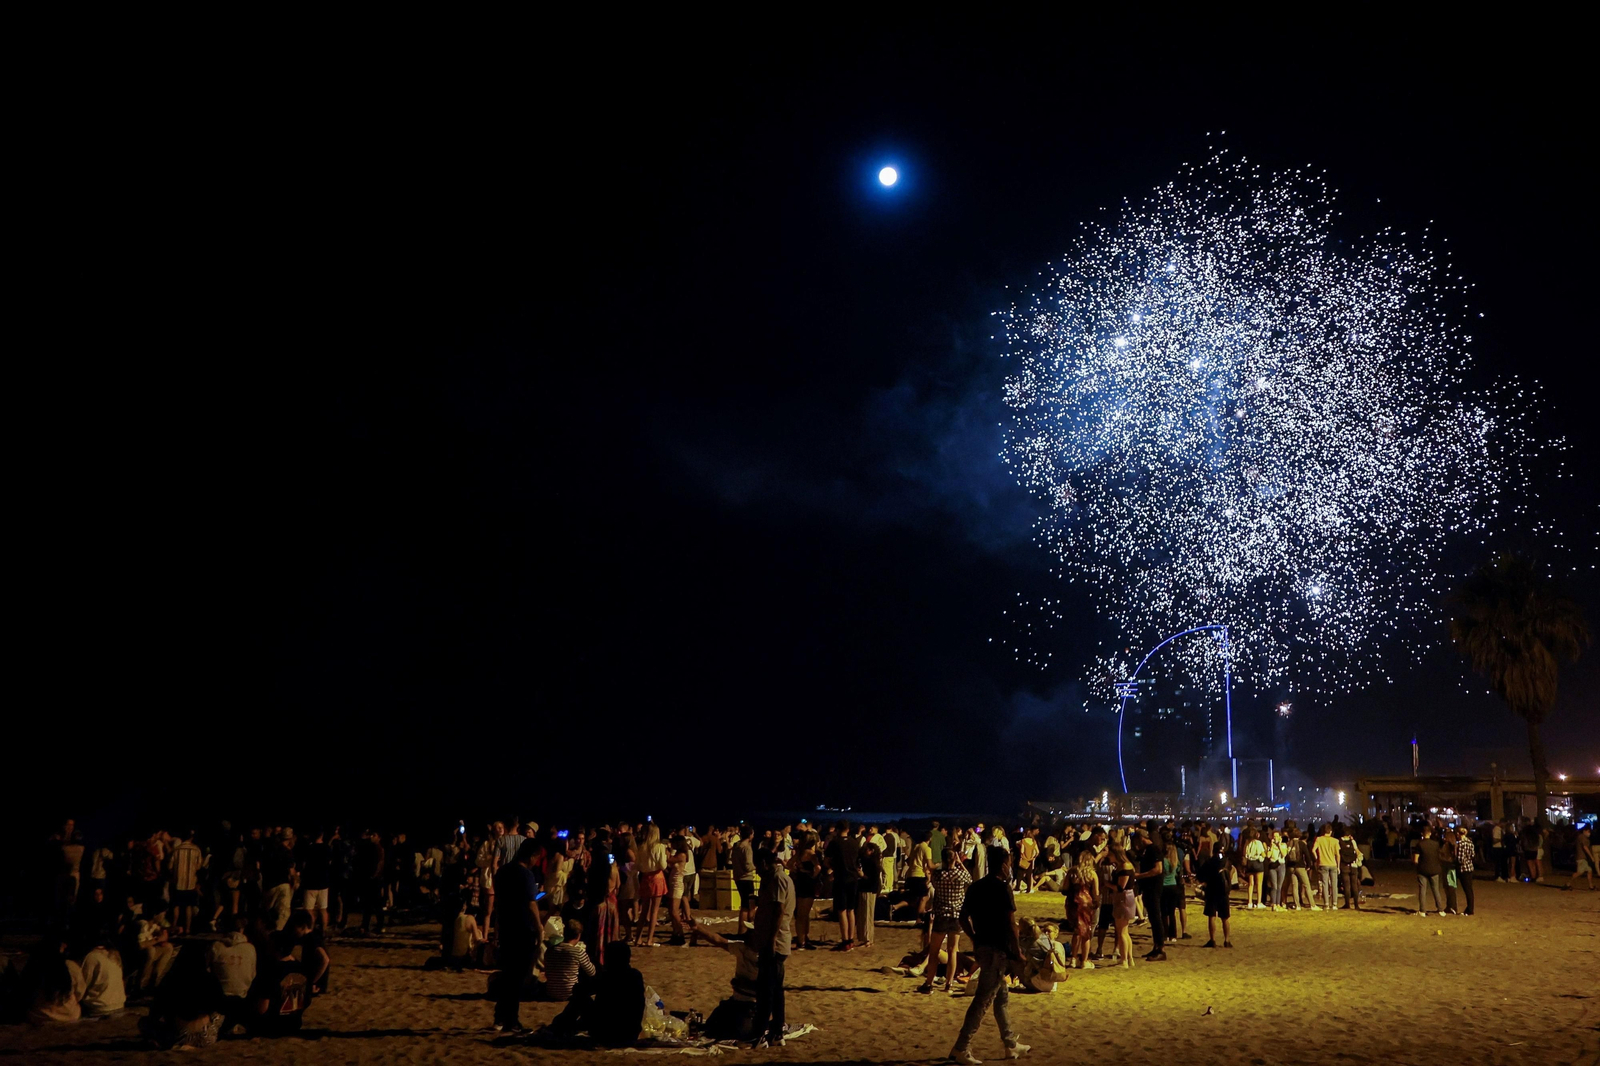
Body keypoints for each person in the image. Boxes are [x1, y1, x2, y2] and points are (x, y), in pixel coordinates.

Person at [948, 846, 1029, 1066]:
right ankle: (961, 1047)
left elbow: (963, 917)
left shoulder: (976, 887)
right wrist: (1018, 952)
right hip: (997, 950)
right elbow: (1011, 923)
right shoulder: (1003, 889)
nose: (1010, 866)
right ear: (1003, 864)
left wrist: (975, 939)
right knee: (982, 1001)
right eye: (1009, 862)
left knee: (1001, 997)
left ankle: (1010, 1044)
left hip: (983, 947)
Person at [491, 838, 543, 1032]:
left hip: (506, 925)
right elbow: (531, 903)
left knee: (508, 973)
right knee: (518, 975)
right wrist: (539, 927)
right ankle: (511, 1020)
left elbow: (499, 901)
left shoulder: (503, 871)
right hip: (522, 928)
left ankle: (500, 1016)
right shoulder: (526, 875)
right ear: (532, 856)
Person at [551, 940, 646, 1046]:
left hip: (604, 1032)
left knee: (581, 999)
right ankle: (567, 1024)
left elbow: (579, 990)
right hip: (630, 1033)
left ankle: (560, 1025)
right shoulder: (635, 976)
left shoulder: (607, 977)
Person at [140, 942, 225, 1048]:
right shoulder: (210, 979)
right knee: (219, 1015)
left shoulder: (171, 979)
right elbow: (221, 1006)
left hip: (177, 1035)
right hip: (205, 1036)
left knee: (144, 1022)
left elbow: (156, 1011)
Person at [750, 847, 794, 1048]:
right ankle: (777, 1031)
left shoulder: (777, 879)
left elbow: (778, 910)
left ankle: (759, 1035)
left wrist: (769, 940)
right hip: (776, 941)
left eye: (758, 866)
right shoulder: (780, 878)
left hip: (774, 942)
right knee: (776, 990)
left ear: (765, 864)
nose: (756, 870)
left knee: (765, 990)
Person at [918, 846, 972, 994]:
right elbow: (970, 880)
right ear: (954, 858)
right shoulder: (960, 875)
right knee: (953, 951)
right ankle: (949, 984)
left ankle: (929, 983)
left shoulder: (938, 875)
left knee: (934, 951)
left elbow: (933, 883)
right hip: (956, 916)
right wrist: (960, 865)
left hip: (941, 915)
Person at [208, 913, 257, 1021]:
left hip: (221, 998)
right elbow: (253, 974)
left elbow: (208, 971)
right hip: (242, 998)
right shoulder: (250, 948)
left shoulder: (216, 947)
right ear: (242, 929)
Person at [22, 942, 84, 1024]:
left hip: (40, 1015)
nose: (65, 946)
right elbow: (80, 993)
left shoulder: (34, 966)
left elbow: (26, 992)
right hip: (69, 1015)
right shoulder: (71, 967)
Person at [824, 820, 861, 951]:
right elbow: (857, 861)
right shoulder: (854, 843)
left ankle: (845, 939)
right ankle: (851, 938)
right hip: (853, 878)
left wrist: (832, 867)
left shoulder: (835, 843)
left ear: (838, 829)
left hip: (841, 878)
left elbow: (826, 859)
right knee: (851, 909)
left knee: (841, 910)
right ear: (848, 829)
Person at [1133, 832, 1167, 961]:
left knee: (1156, 918)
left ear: (1141, 839)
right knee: (1153, 918)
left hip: (1154, 887)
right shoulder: (1148, 850)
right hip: (1149, 887)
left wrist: (1140, 876)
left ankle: (1161, 949)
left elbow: (1158, 869)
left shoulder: (1154, 849)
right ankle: (1156, 946)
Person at [635, 824, 669, 948]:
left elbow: (637, 865)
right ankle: (649, 939)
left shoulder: (641, 847)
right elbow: (663, 865)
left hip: (645, 877)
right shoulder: (659, 847)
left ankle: (638, 938)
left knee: (644, 911)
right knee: (654, 911)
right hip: (656, 877)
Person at [544, 919, 596, 1001]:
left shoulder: (549, 950)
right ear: (578, 935)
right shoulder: (577, 951)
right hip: (570, 993)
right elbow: (592, 972)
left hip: (551, 992)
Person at [78, 936, 126, 1018]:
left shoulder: (92, 957)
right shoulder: (114, 954)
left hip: (100, 1007)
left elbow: (83, 985)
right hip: (119, 1004)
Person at [167, 830, 204, 935]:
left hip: (177, 882)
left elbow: (170, 866)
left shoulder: (176, 850)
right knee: (189, 906)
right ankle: (187, 928)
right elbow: (198, 866)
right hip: (190, 883)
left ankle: (174, 926)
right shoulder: (196, 850)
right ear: (191, 837)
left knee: (176, 905)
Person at [1065, 848, 1097, 969]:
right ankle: (1084, 960)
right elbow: (1096, 892)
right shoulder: (1092, 874)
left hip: (1073, 902)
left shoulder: (1072, 871)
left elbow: (1065, 888)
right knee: (1086, 932)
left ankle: (1073, 959)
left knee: (1076, 931)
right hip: (1086, 902)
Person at [298, 829, 334, 935]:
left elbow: (304, 864)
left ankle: (310, 930)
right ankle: (324, 930)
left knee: (309, 909)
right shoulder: (327, 848)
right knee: (323, 909)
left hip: (310, 882)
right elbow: (330, 863)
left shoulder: (309, 848)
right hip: (323, 882)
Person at [1197, 840, 1232, 948]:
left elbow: (1200, 875)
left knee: (1212, 916)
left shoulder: (1210, 862)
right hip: (1224, 891)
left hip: (1212, 891)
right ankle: (1227, 940)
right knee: (1225, 917)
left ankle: (1212, 940)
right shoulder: (1227, 862)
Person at [790, 839, 820, 951]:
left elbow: (789, 864)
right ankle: (803, 940)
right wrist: (812, 875)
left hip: (799, 883)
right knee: (805, 914)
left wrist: (798, 869)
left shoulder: (799, 854)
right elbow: (818, 867)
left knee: (799, 914)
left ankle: (801, 939)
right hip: (808, 883)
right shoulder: (812, 855)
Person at [1413, 825, 1446, 917]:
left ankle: (1422, 911)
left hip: (1423, 869)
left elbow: (1415, 860)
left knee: (1422, 890)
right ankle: (1440, 910)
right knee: (1436, 890)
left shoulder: (1419, 844)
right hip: (1435, 869)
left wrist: (1418, 865)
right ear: (1430, 833)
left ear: (1422, 834)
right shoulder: (1435, 844)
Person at [857, 839, 883, 950]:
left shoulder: (871, 863)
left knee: (866, 915)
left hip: (868, 889)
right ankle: (867, 938)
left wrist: (862, 875)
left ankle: (867, 939)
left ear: (871, 851)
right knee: (867, 915)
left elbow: (871, 879)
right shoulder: (875, 862)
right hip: (871, 890)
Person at [1312, 824, 1341, 911]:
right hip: (1333, 864)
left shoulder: (1319, 839)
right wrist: (1338, 866)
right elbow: (1338, 855)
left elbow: (1313, 850)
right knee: (1334, 884)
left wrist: (1317, 858)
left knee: (1325, 884)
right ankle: (1335, 904)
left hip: (1323, 864)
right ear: (1331, 831)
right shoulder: (1335, 841)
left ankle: (1326, 904)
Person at [1338, 827, 1364, 911]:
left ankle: (1347, 904)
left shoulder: (1339, 842)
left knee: (1346, 886)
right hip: (1353, 866)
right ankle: (1356, 905)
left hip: (1344, 865)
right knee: (1354, 885)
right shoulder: (1352, 842)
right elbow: (1358, 852)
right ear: (1349, 835)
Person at [1574, 826, 1596, 891]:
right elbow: (1585, 847)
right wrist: (1591, 857)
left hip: (1583, 858)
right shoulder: (1582, 837)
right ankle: (1568, 882)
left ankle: (1591, 886)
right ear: (1584, 831)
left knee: (1589, 870)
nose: (1589, 833)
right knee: (1580, 872)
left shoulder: (1583, 837)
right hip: (1581, 857)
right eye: (1588, 831)